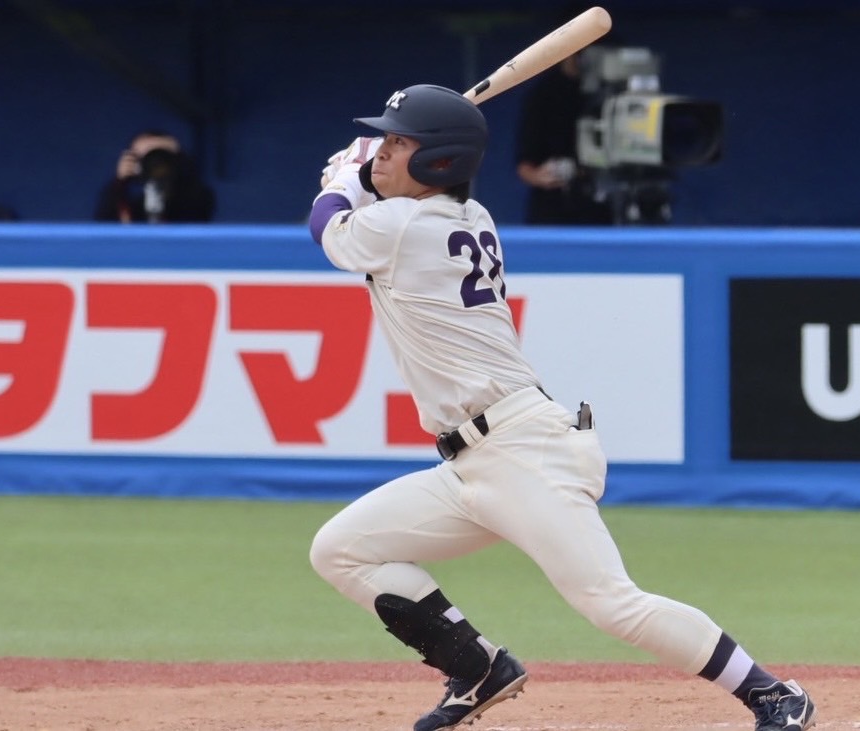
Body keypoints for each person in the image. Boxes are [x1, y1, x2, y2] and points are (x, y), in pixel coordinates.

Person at [306, 83, 816, 731]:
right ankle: (479, 666)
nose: (381, 150)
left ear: (439, 159)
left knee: (611, 602)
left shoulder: (404, 225)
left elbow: (328, 230)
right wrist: (362, 179)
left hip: (522, 453)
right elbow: (366, 221)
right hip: (474, 462)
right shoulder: (459, 215)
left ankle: (773, 693)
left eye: (399, 141)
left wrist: (341, 182)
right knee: (341, 549)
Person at [513, 52, 615, 225]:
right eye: (578, 55)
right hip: (554, 208)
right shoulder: (543, 95)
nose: (583, 61)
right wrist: (543, 176)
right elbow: (525, 165)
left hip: (601, 207)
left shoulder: (610, 94)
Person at [93, 130, 215, 223]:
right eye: (147, 157)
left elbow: (197, 215)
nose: (155, 164)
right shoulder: (129, 204)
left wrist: (182, 167)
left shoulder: (198, 196)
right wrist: (120, 182)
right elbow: (106, 227)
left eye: (161, 157)